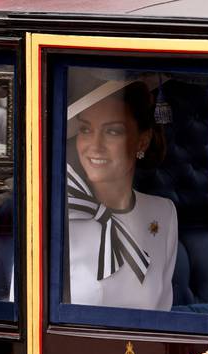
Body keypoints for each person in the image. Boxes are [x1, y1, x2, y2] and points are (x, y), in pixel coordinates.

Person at [65, 72, 178, 311]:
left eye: (112, 131)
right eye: (86, 130)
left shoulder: (163, 214)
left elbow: (162, 317)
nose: (94, 147)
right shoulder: (56, 214)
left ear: (142, 141)